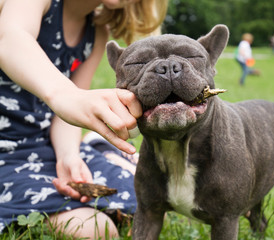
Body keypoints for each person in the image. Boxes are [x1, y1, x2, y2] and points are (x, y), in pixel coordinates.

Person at [0, 0, 167, 238]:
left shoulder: (96, 33)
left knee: (151, 200)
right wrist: (65, 94)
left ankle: (98, 149)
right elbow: (11, 38)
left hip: (45, 148)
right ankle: (105, 153)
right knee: (97, 230)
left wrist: (68, 156)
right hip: (5, 156)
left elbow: (66, 117)